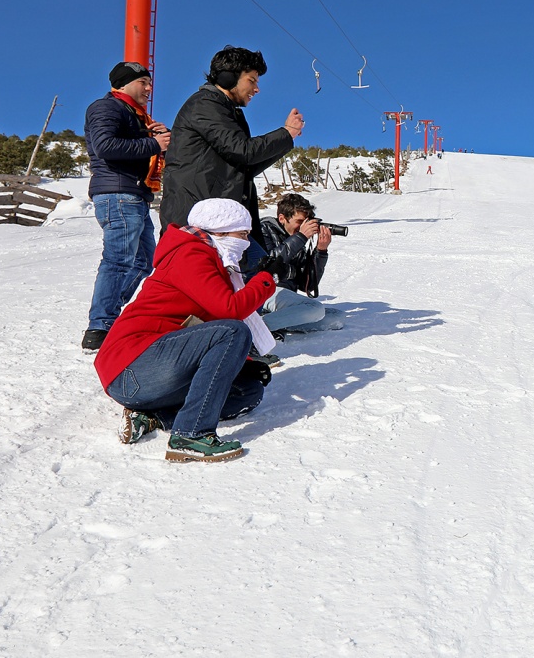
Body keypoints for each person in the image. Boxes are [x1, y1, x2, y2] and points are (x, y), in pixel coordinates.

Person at [95, 198, 278, 462]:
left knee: (247, 390)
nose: (246, 243)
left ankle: (152, 418)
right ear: (222, 231)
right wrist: (267, 279)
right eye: (243, 235)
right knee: (233, 331)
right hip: (131, 368)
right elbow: (228, 311)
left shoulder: (211, 258)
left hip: (153, 372)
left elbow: (201, 327)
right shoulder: (190, 253)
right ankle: (191, 434)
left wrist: (241, 364)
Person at [159, 45, 304, 239]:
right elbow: (243, 151)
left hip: (224, 221)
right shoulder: (205, 104)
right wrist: (286, 133)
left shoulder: (225, 111)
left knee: (264, 267)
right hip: (200, 224)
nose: (257, 89)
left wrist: (287, 138)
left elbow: (245, 165)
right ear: (228, 77)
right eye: (251, 80)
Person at [81, 61, 171, 352]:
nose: (148, 88)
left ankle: (109, 318)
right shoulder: (106, 108)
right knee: (119, 260)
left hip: (134, 194)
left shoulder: (135, 116)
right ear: (123, 84)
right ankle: (100, 326)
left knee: (144, 261)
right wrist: (153, 144)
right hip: (118, 193)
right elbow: (107, 146)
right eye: (143, 82)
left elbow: (130, 145)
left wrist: (152, 137)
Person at [253, 193, 346, 334]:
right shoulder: (263, 230)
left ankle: (272, 322)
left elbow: (307, 284)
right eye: (299, 221)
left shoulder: (297, 239)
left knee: (335, 317)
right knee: (315, 309)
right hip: (264, 290)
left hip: (285, 296)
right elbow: (268, 264)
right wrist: (300, 237)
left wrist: (321, 251)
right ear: (282, 218)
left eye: (306, 222)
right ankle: (256, 330)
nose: (303, 226)